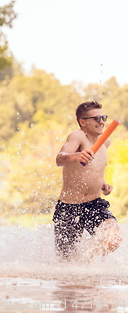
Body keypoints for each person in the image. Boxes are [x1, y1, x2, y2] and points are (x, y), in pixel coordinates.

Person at [53, 101, 122, 261]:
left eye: (103, 117)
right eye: (96, 118)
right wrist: (77, 155)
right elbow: (60, 159)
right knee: (66, 264)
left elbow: (93, 168)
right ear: (83, 122)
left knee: (113, 238)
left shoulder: (106, 142)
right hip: (68, 208)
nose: (102, 122)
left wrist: (102, 182)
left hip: (94, 203)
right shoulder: (77, 136)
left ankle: (85, 258)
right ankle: (77, 267)